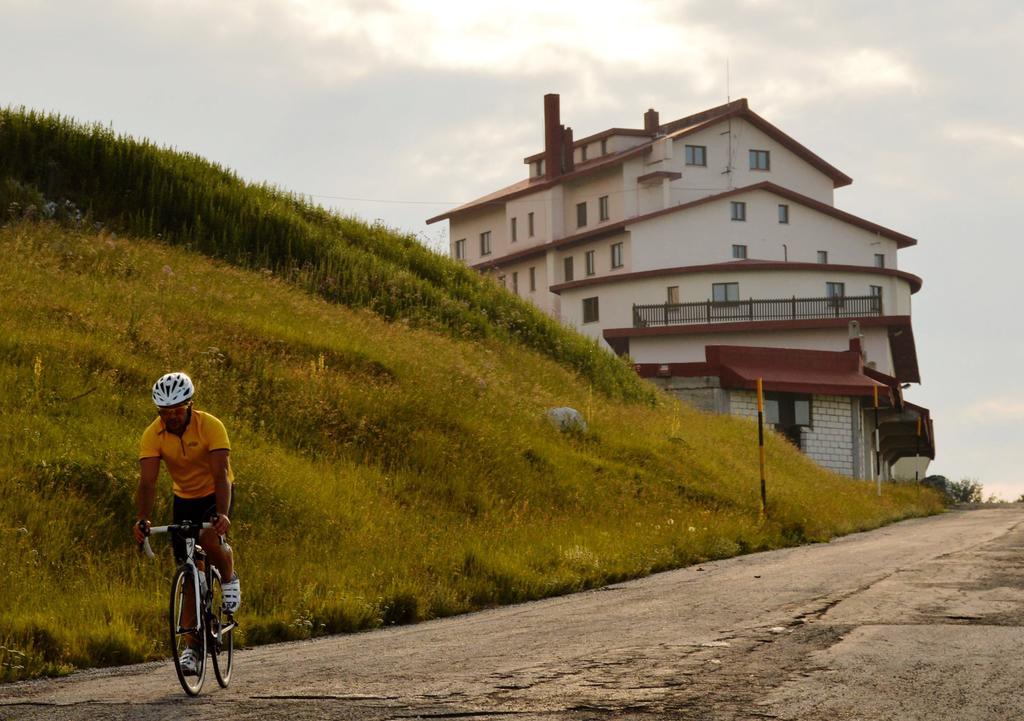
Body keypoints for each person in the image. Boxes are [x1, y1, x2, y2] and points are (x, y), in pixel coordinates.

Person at [132, 371, 240, 675]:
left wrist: (222, 514)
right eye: (165, 413)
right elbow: (148, 482)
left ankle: (229, 576)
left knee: (209, 541)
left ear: (190, 405)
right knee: (190, 571)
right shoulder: (152, 434)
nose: (172, 417)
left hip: (216, 494)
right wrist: (142, 518)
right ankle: (192, 648)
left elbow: (222, 475)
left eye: (178, 410)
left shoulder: (211, 426)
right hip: (184, 499)